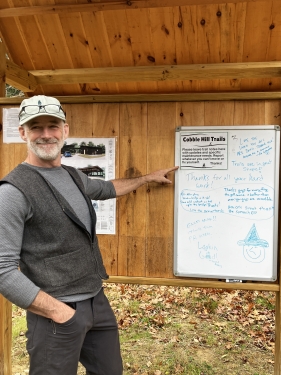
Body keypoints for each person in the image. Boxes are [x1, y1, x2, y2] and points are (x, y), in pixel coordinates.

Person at [0, 95, 178, 375]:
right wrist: (59, 313)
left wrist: (146, 178)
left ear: (65, 130)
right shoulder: (13, 192)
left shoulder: (72, 176)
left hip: (96, 302)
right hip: (55, 315)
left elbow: (108, 188)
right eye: (35, 127)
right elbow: (3, 270)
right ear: (22, 132)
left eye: (52, 126)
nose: (46, 134)